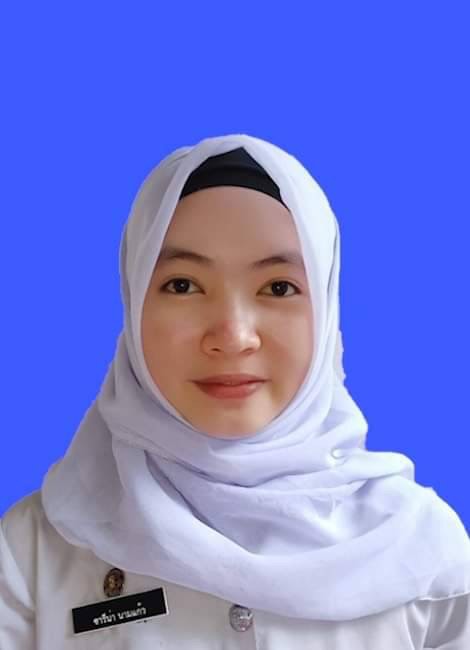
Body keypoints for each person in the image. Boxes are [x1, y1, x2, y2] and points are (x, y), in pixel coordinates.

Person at [1, 134, 469, 649]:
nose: (233, 335)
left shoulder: (424, 555)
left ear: (327, 306)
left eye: (279, 287)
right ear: (133, 304)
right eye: (183, 285)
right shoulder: (33, 554)